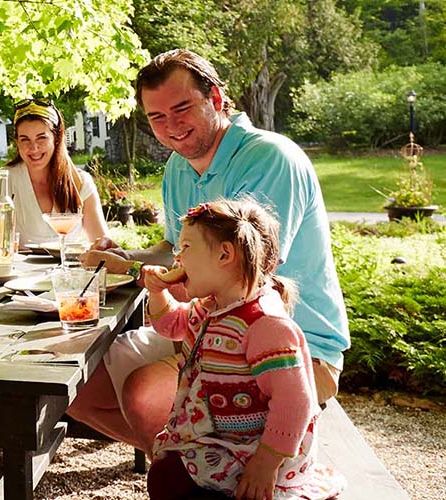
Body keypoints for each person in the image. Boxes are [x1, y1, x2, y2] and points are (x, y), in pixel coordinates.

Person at [70, 48, 350, 456]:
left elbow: (244, 276)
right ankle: (198, 463)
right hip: (203, 328)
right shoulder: (178, 167)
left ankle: (206, 469)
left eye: (182, 108)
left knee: (145, 395)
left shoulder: (269, 157)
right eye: (157, 117)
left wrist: (136, 276)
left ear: (216, 99)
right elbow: (172, 250)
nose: (171, 126)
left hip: (284, 348)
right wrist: (127, 256)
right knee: (77, 387)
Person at [144, 198, 345, 500]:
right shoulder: (212, 306)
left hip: (256, 450)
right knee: (166, 475)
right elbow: (171, 324)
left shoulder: (264, 325)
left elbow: (295, 403)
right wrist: (157, 293)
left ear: (225, 254)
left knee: (169, 479)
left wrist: (265, 465)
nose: (177, 259)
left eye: (185, 248)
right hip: (222, 438)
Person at [0, 99, 108, 249]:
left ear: (56, 138)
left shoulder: (81, 182)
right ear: (16, 142)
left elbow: (103, 246)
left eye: (41, 138)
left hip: (71, 272)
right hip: (18, 272)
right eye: (25, 139)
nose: (34, 148)